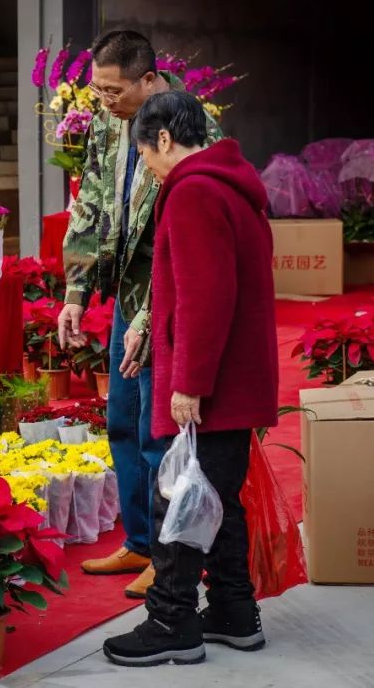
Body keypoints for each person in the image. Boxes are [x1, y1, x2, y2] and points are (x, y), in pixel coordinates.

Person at [102, 91, 278, 666]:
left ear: (163, 140)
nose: (147, 169)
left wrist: (189, 382)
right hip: (234, 374)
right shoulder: (228, 185)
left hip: (214, 380)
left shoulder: (194, 192)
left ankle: (171, 618)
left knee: (180, 493)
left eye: (145, 157)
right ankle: (232, 610)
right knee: (215, 495)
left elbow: (207, 297)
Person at [58, 30, 222, 599]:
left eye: (114, 90)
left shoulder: (190, 124)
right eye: (97, 90)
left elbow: (188, 238)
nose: (104, 101)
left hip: (166, 298)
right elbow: (87, 206)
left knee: (158, 427)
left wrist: (154, 318)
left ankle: (168, 551)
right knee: (123, 420)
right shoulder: (106, 125)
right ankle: (139, 539)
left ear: (150, 80)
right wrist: (75, 293)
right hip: (127, 296)